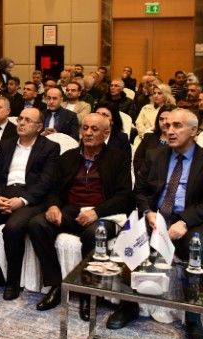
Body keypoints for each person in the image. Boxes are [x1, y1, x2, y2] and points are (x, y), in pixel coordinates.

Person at [120, 108, 203, 339]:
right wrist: (148, 212)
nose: (170, 130)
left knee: (196, 248)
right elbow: (140, 192)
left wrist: (185, 221)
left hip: (192, 222)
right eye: (167, 125)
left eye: (177, 126)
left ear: (194, 130)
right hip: (156, 218)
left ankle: (194, 318)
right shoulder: (155, 155)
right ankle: (128, 306)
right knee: (127, 239)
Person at [28, 112, 133, 317]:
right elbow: (54, 190)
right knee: (37, 224)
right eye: (85, 128)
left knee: (94, 234)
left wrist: (96, 212)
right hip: (72, 210)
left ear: (106, 133)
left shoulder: (118, 158)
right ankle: (56, 285)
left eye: (94, 129)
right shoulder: (68, 157)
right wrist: (53, 206)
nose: (88, 133)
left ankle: (88, 292)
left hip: (103, 214)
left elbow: (125, 197)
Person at [0, 107, 59, 300]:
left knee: (12, 228)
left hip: (30, 198)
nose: (22, 123)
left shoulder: (50, 147)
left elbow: (46, 182)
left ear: (39, 127)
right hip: (5, 194)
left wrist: (22, 200)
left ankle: (13, 281)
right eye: (20, 119)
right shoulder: (7, 144)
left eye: (28, 120)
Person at [132, 104, 175, 183]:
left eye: (167, 119)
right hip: (145, 181)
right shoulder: (149, 137)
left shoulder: (178, 141)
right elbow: (138, 160)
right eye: (161, 119)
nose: (164, 122)